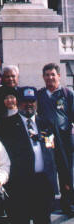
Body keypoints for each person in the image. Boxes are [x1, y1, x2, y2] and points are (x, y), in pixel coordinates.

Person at [0, 87, 70, 224]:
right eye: (24, 102)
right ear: (17, 103)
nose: (28, 105)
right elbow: (0, 157)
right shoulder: (6, 125)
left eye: (32, 102)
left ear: (36, 103)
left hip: (43, 184)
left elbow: (59, 153)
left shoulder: (46, 123)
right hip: (19, 185)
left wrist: (66, 182)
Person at [37, 63, 74, 215]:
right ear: (43, 77)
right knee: (49, 170)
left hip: (65, 137)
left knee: (66, 170)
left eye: (53, 74)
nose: (50, 77)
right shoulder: (39, 94)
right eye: (47, 75)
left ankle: (68, 202)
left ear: (59, 76)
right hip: (47, 138)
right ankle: (49, 202)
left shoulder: (67, 93)